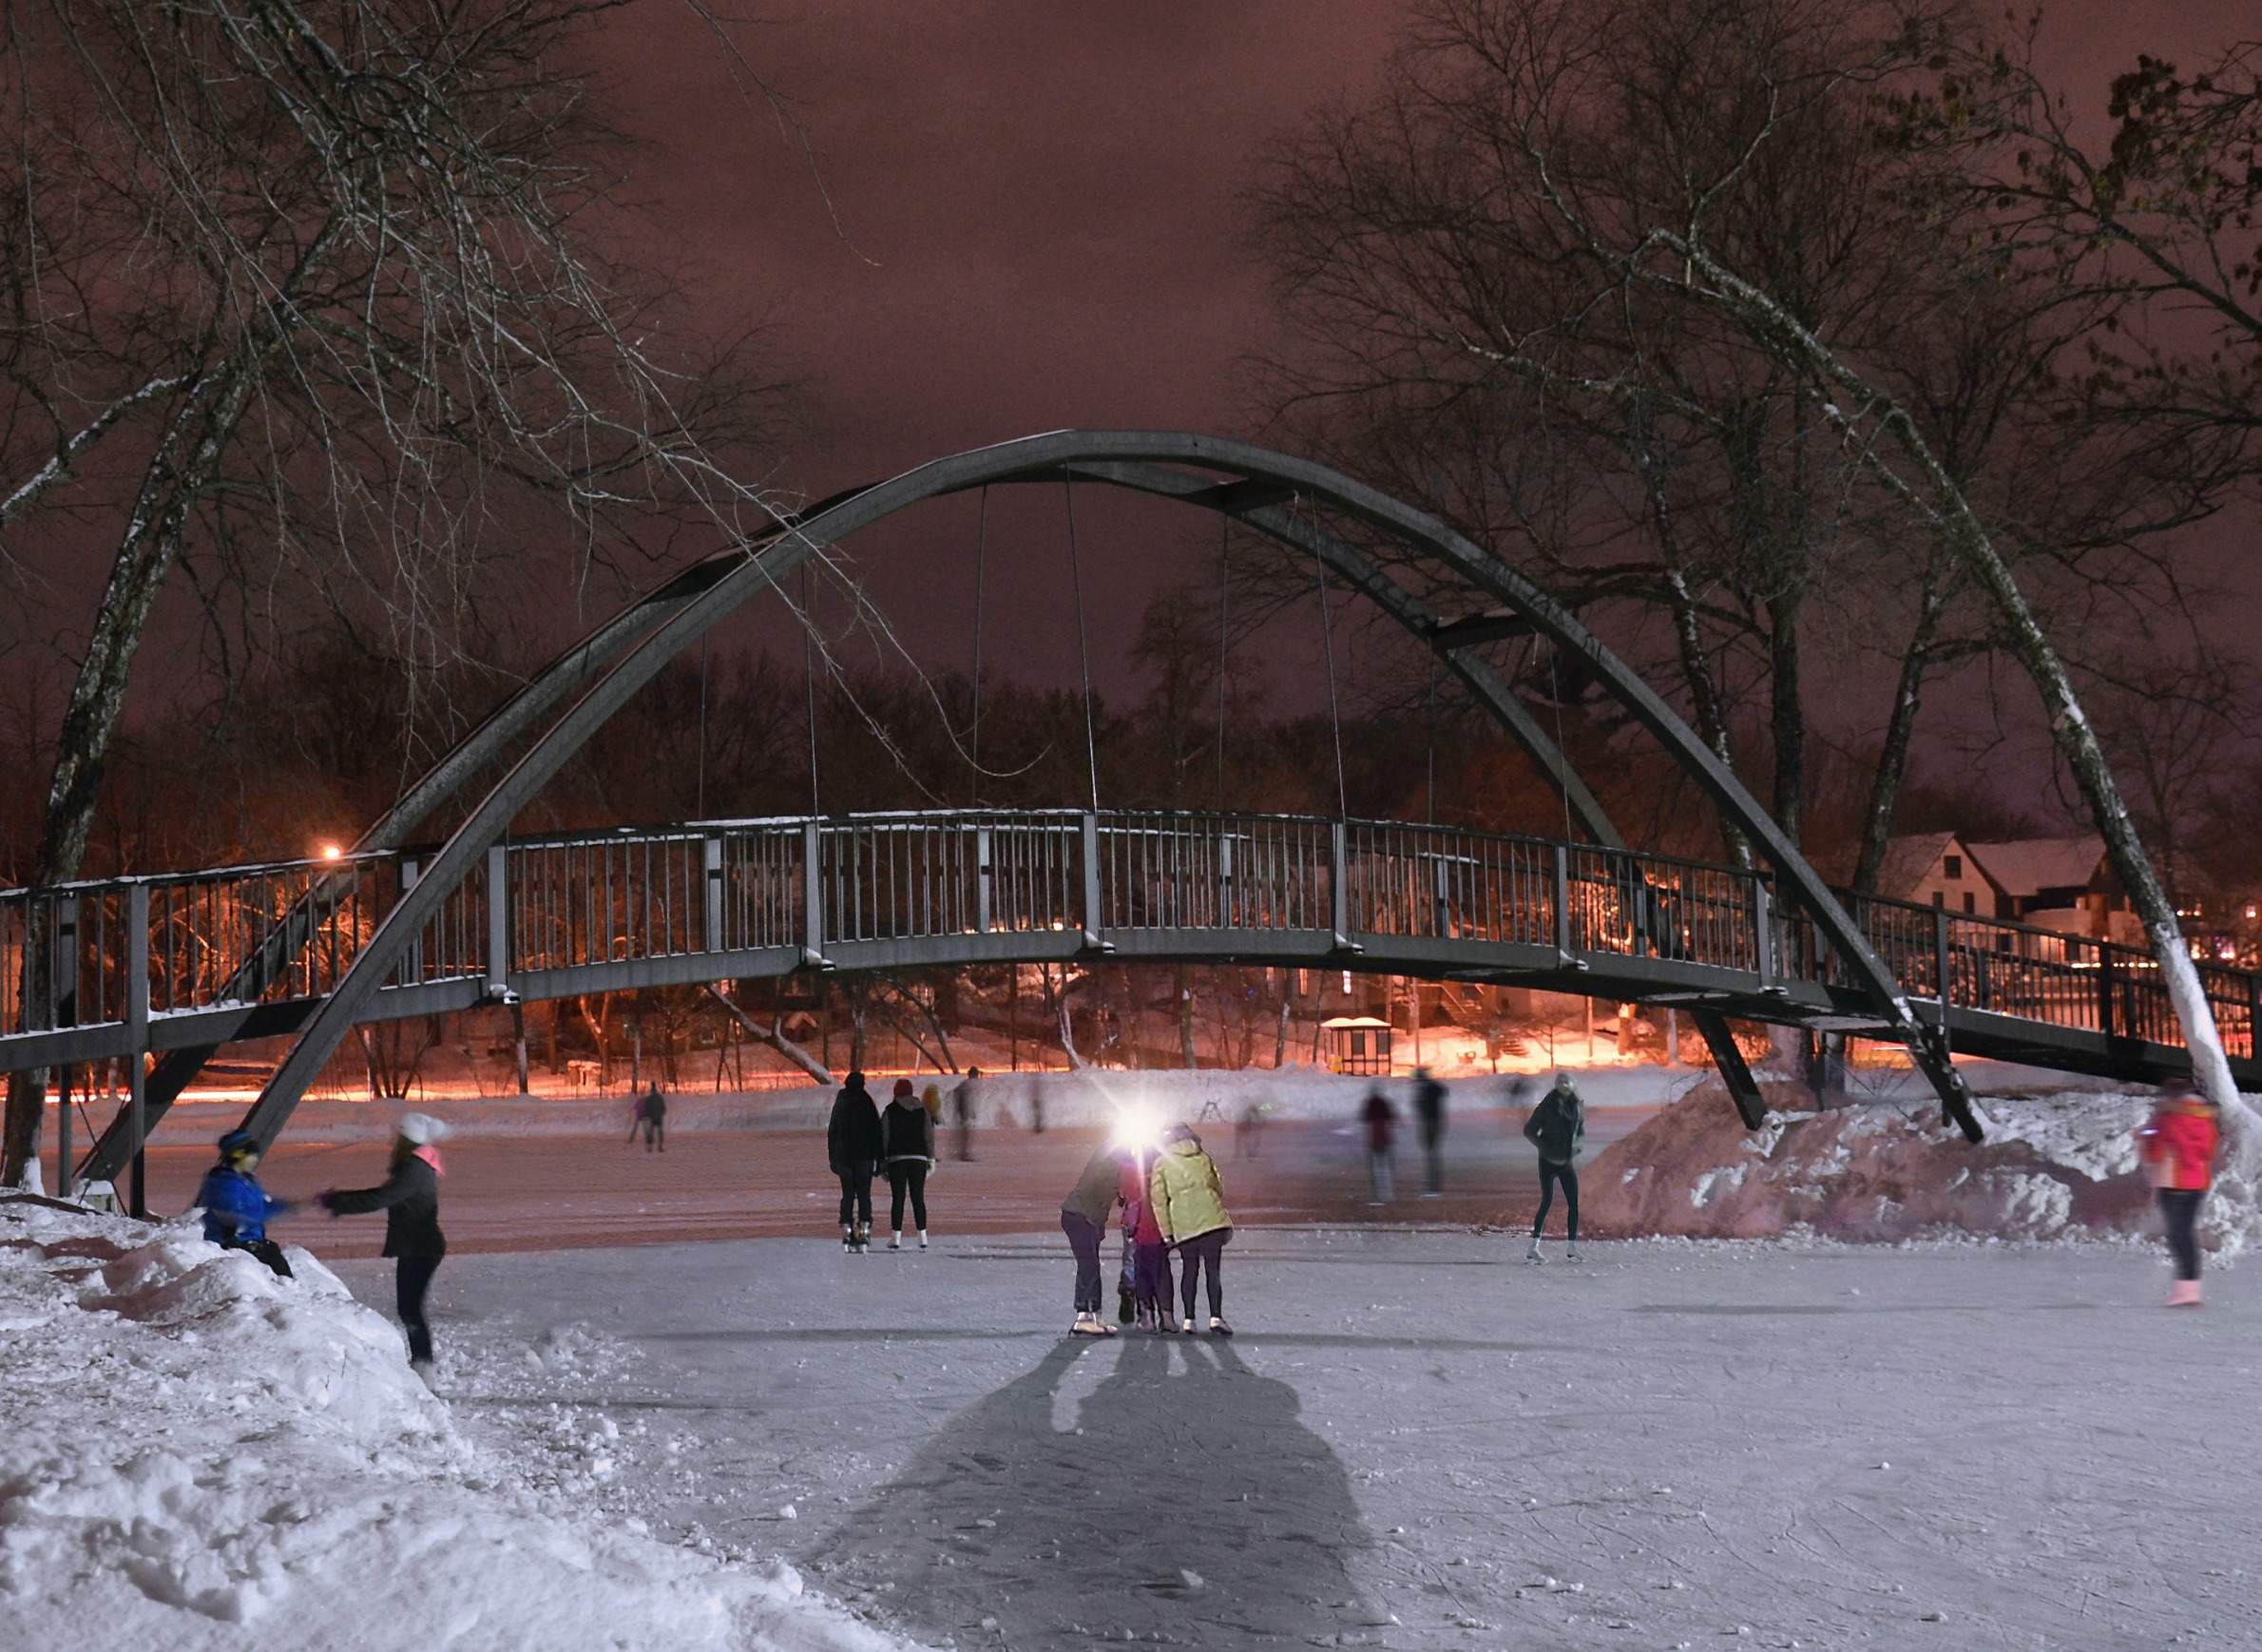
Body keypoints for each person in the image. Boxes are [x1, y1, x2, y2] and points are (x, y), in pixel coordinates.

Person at [316, 1114, 450, 1389]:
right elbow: (383, 1194)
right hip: (418, 1245)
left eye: (398, 1137)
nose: (393, 1142)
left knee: (410, 1309)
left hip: (421, 1247)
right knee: (409, 1308)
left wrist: (339, 1201)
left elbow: (381, 1197)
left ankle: (424, 1370)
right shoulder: (417, 1165)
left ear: (407, 1139)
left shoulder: (416, 1168)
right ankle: (422, 1367)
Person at [2137, 1077, 2219, 1306]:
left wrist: (2144, 1137)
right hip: (2197, 1183)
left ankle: (2187, 1290)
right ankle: (2189, 1288)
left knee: (2178, 1235)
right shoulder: (2206, 1119)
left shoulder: (2167, 1118)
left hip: (2173, 1182)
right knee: (2185, 1234)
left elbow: (2154, 1153)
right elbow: (2208, 1152)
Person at [1151, 1124, 1235, 1335]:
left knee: (1190, 1271)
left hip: (1184, 1224)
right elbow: (1218, 1186)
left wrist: (1166, 1232)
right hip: (1212, 1221)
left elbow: (1159, 1201)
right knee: (1212, 1271)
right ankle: (1216, 1317)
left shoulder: (1161, 1163)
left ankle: (1189, 1319)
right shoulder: (1204, 1157)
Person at [196, 1128, 296, 1278]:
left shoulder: (246, 1181)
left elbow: (262, 1208)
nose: (256, 1158)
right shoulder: (224, 1183)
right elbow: (231, 1217)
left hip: (251, 1242)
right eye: (252, 1154)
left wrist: (304, 1204)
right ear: (239, 1155)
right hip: (234, 1246)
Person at [1061, 1142, 1127, 1335]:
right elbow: (1106, 1188)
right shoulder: (1109, 1163)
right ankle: (1083, 1316)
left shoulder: (1110, 1160)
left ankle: (1096, 1315)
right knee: (1088, 1265)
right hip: (1079, 1216)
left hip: (1086, 1217)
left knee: (1093, 1265)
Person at [1524, 1072, 1585, 1262]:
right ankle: (1533, 1247)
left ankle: (1572, 1247)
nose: (1566, 1087)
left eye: (1569, 1083)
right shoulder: (1548, 1105)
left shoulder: (1575, 1105)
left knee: (1573, 1204)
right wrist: (1545, 1146)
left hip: (1566, 1161)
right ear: (1557, 1086)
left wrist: (1576, 1147)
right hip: (1548, 1161)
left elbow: (1579, 1130)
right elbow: (1529, 1130)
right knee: (1547, 1201)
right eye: (1562, 1084)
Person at [829, 1070, 884, 1252]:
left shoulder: (841, 1103)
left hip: (844, 1156)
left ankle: (846, 1227)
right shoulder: (867, 1102)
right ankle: (864, 1227)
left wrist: (833, 1158)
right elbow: (877, 1132)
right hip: (864, 1156)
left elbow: (833, 1132)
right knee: (864, 1194)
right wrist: (880, 1159)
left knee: (847, 1193)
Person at [883, 1077, 937, 1249]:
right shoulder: (923, 1111)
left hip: (897, 1159)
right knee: (918, 1197)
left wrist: (883, 1159)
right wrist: (931, 1158)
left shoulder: (890, 1110)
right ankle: (923, 1236)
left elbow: (884, 1135)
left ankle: (896, 1237)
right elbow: (929, 1136)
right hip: (919, 1158)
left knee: (898, 1198)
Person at [1123, 1147, 1174, 1331]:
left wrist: (1130, 1230)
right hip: (1159, 1236)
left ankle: (1147, 1317)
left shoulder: (1136, 1181)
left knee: (1142, 1278)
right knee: (1162, 1278)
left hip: (1140, 1236)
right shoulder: (1162, 1180)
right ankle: (1167, 1317)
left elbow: (1129, 1207)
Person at [1411, 1066, 1447, 1197]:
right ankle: (1433, 1184)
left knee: (1431, 1154)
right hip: (1431, 1122)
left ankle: (1433, 1185)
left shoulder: (1429, 1089)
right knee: (1431, 1154)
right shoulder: (1429, 1088)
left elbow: (1439, 1093)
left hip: (1431, 1123)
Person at [1360, 1085, 1396, 1204]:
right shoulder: (1384, 1103)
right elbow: (1392, 1118)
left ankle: (1377, 1192)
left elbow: (1364, 1118)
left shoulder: (1370, 1104)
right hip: (1385, 1137)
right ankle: (1387, 1191)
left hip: (1374, 1138)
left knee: (1375, 1166)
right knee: (1385, 1164)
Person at [952, 1066, 980, 1162]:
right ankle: (964, 1154)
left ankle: (963, 1153)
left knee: (964, 1135)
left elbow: (957, 1093)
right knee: (966, 1136)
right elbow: (968, 1101)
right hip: (966, 1113)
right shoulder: (969, 1085)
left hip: (964, 1113)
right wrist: (970, 1112)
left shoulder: (964, 1084)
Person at [641, 1082, 667, 1152]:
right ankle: (660, 1147)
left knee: (651, 1132)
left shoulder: (649, 1098)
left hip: (652, 1118)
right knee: (660, 1132)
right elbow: (663, 1107)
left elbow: (646, 1108)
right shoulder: (659, 1097)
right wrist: (661, 1112)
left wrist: (648, 1114)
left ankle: (650, 1147)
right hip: (659, 1117)